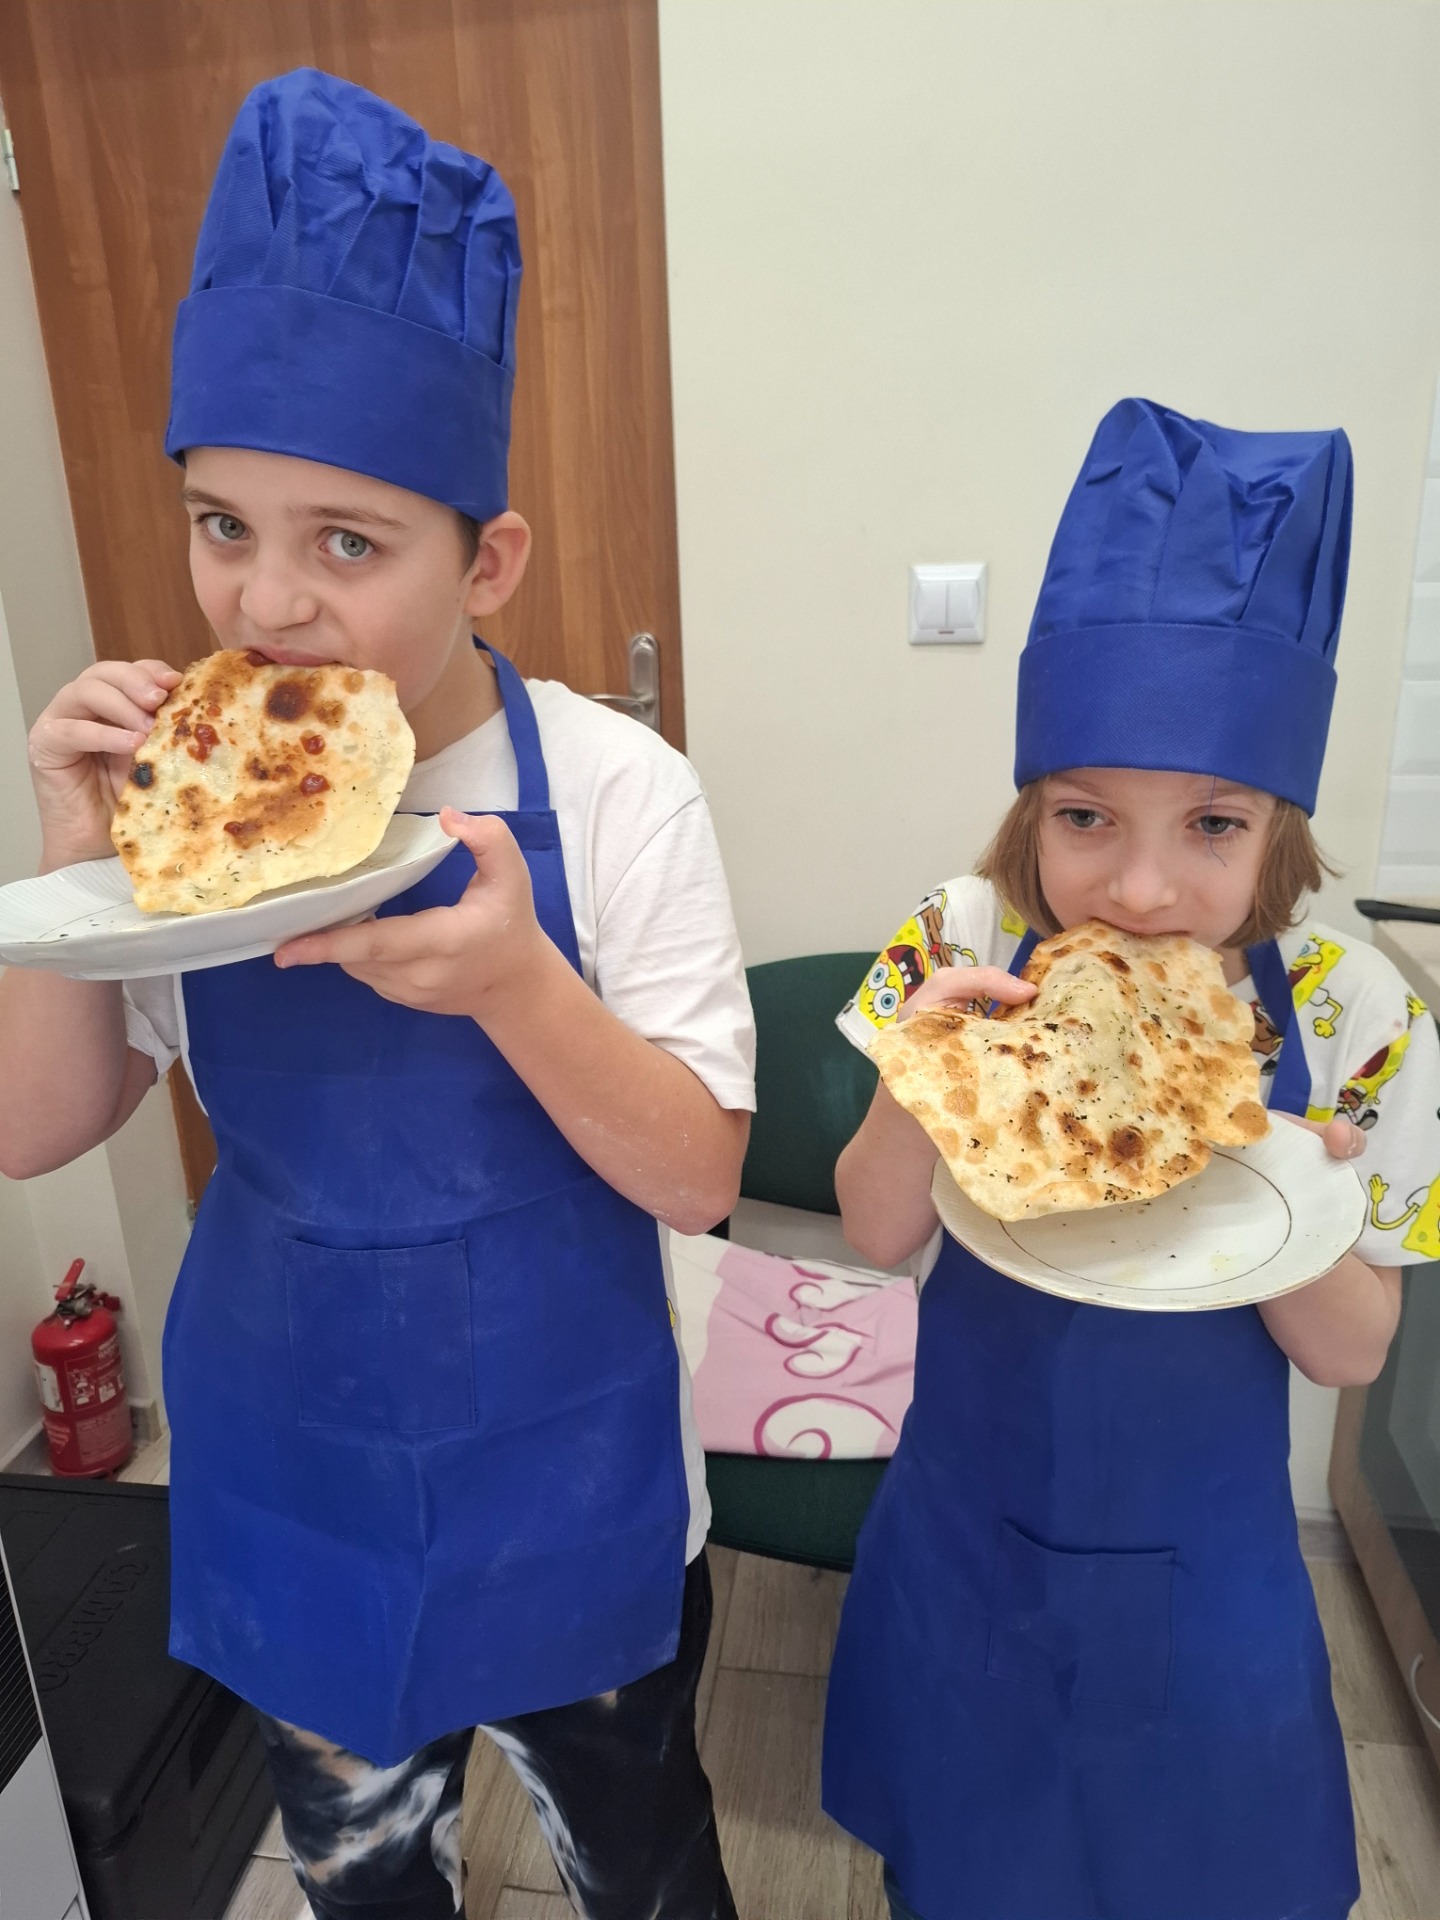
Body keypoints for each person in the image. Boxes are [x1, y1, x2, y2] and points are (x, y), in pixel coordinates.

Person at [0, 70, 754, 1920]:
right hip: (295, 1458)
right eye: (220, 524)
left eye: (347, 541)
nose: (266, 605)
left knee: (643, 1865)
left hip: (567, 1465)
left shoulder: (618, 789)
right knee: (364, 1877)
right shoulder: (185, 813)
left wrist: (516, 983)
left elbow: (699, 1172)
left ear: (485, 560)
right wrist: (72, 847)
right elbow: (35, 1131)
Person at [823, 398, 1440, 1920]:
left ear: (1278, 828)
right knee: (961, 1866)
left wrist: (1273, 1171)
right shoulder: (960, 936)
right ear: (1031, 810)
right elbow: (876, 1228)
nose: (1143, 890)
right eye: (1087, 817)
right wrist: (926, 1075)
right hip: (963, 1525)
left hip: (1208, 1563)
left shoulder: (1358, 1013)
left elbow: (1354, 1354)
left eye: (1213, 826)